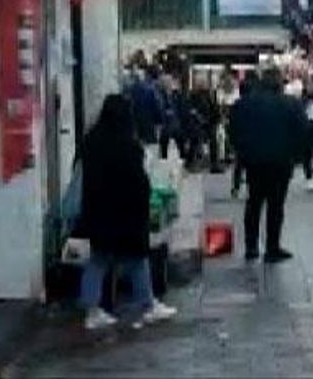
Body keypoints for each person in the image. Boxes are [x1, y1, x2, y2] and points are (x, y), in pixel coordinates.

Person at [78, 94, 177, 330]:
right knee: (136, 258)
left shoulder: (91, 142)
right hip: (125, 214)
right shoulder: (128, 145)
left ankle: (92, 311)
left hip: (98, 212)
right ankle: (147, 304)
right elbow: (138, 182)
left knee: (98, 260)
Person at [228, 68, 310, 262]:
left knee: (254, 203)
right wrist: (296, 156)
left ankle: (251, 246)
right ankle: (272, 247)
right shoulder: (291, 104)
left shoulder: (243, 104)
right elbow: (304, 131)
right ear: (279, 84)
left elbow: (233, 131)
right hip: (281, 163)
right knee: (276, 205)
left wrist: (244, 153)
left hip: (254, 163)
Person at [189, 76, 222, 173]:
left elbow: (214, 109)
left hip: (208, 122)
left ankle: (214, 163)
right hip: (198, 123)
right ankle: (192, 161)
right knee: (197, 137)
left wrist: (216, 118)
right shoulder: (194, 96)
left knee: (213, 138)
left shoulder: (209, 95)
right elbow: (192, 110)